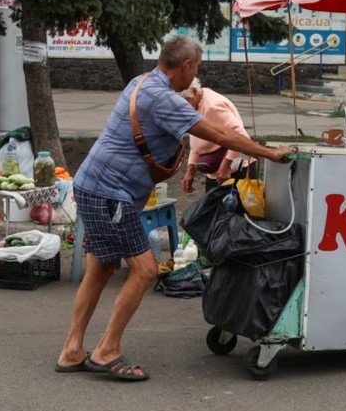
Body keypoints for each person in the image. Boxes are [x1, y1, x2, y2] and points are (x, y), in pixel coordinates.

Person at [55, 35, 290, 381]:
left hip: (93, 185)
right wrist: (269, 153)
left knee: (102, 268)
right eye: (197, 67)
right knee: (146, 270)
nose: (196, 73)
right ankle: (106, 351)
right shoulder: (164, 99)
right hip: (110, 193)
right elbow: (221, 134)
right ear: (187, 66)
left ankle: (73, 350)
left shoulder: (141, 82)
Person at [178, 78, 253, 193]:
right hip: (215, 170)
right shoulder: (196, 104)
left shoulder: (213, 106)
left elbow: (240, 137)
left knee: (232, 209)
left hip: (235, 169)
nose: (183, 107)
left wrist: (225, 167)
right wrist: (190, 171)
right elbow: (197, 142)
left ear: (194, 91)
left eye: (185, 101)